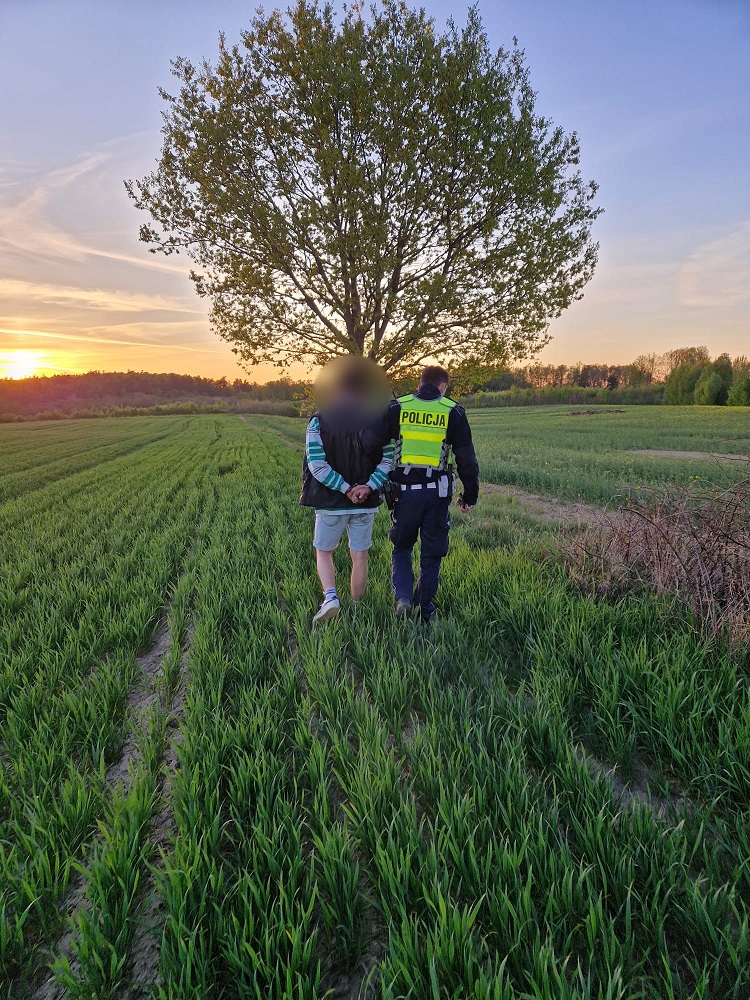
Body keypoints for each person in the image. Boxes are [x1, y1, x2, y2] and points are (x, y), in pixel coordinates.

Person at [366, 365, 479, 623]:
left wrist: (381, 472)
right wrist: (470, 496)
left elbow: (370, 442)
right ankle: (424, 608)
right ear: (443, 387)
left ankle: (404, 598)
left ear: (419, 385)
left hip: (404, 495)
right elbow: (467, 461)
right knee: (432, 554)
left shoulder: (397, 407)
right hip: (437, 495)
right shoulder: (453, 411)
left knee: (402, 546)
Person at [300, 364, 394, 625]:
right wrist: (367, 487)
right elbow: (388, 460)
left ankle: (331, 598)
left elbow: (316, 465)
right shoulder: (378, 420)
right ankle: (357, 607)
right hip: (366, 502)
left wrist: (345, 489)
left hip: (331, 503)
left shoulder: (319, 420)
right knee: (360, 555)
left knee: (324, 552)